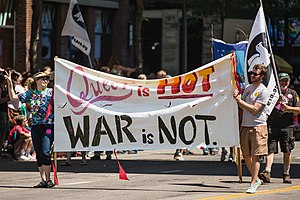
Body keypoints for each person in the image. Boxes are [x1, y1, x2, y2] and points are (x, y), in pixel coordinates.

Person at [5, 71, 55, 188]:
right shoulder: (31, 94)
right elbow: (13, 97)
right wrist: (9, 82)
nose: (45, 81)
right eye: (42, 79)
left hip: (48, 125)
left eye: (46, 79)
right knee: (38, 153)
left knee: (45, 151)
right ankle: (43, 180)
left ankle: (48, 179)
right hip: (36, 127)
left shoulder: (52, 92)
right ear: (36, 81)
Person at [233, 64, 269, 194]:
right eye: (251, 73)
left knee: (255, 157)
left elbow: (255, 109)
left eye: (255, 74)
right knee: (246, 155)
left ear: (262, 76)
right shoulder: (248, 88)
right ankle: (257, 178)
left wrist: (240, 101)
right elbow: (243, 107)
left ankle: (253, 182)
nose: (252, 76)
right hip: (245, 126)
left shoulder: (263, 91)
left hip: (258, 126)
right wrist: (237, 99)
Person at [259, 73, 300, 184]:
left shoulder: (293, 93)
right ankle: (267, 171)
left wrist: (288, 108)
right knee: (270, 149)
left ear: (289, 82)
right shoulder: (272, 93)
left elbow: (299, 109)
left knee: (287, 151)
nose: (284, 83)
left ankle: (286, 174)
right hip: (273, 125)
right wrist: (276, 101)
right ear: (278, 81)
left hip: (287, 127)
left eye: (286, 80)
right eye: (282, 80)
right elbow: (264, 107)